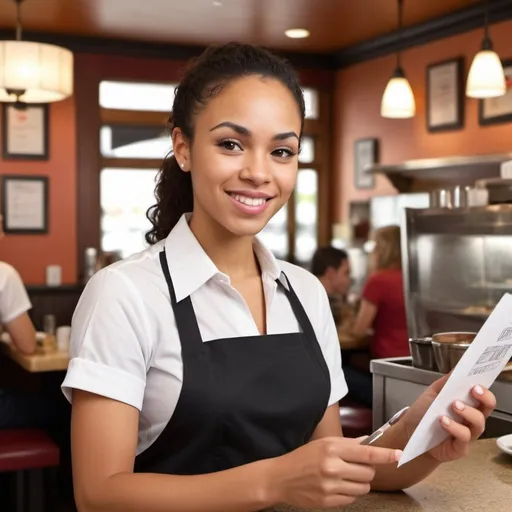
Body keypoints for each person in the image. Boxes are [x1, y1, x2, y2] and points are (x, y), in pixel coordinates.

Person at [62, 43, 496, 511]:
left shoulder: (304, 292)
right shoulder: (124, 293)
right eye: (231, 144)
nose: (258, 173)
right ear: (183, 148)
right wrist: (274, 482)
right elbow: (99, 494)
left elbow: (330, 468)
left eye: (282, 151)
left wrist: (420, 435)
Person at [353, 225, 409, 359]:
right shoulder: (415, 278)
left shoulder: (378, 281)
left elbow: (359, 330)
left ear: (382, 250)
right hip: (415, 357)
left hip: (386, 359)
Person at [311, 246, 351, 325]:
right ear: (331, 273)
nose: (349, 280)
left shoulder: (322, 299)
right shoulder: (318, 306)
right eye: (346, 273)